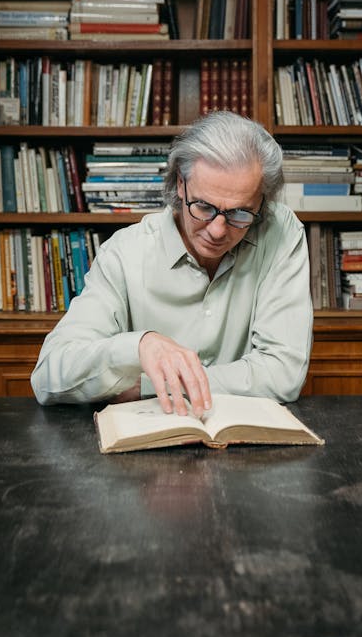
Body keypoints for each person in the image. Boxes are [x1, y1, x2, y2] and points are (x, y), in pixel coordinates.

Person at [30, 110, 313, 417]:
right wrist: (139, 346)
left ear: (263, 201)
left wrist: (151, 384)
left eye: (240, 213)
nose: (217, 231)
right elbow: (48, 377)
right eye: (203, 206)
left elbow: (283, 373)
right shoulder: (126, 253)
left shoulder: (281, 232)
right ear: (181, 184)